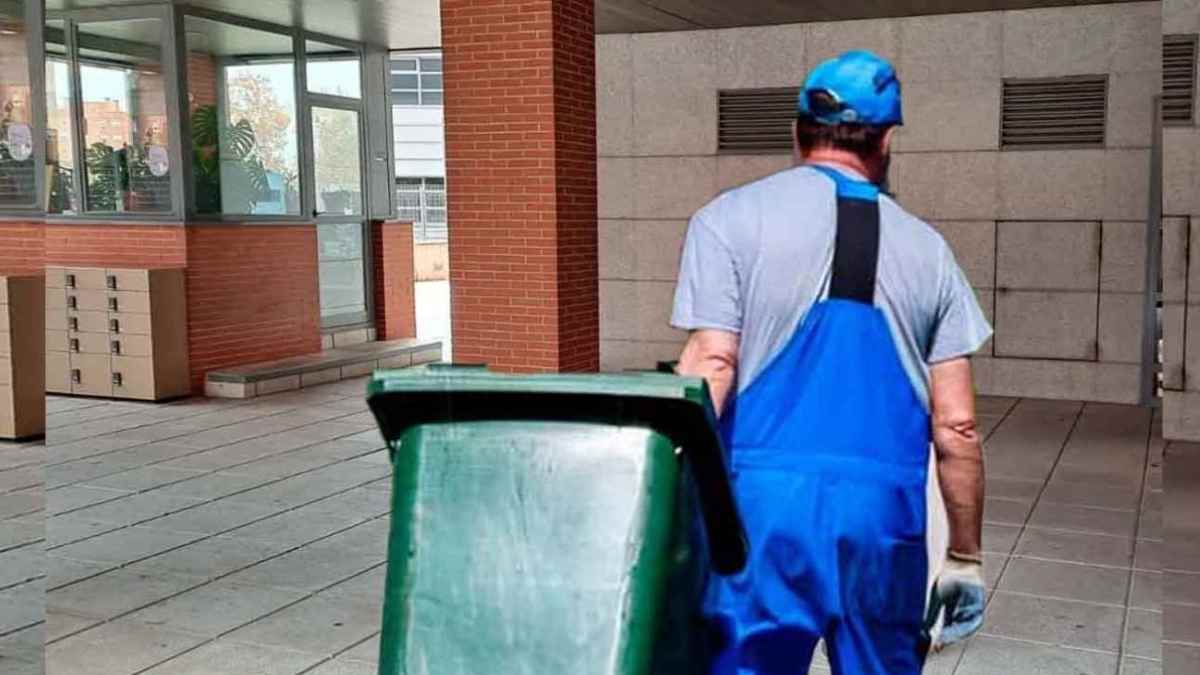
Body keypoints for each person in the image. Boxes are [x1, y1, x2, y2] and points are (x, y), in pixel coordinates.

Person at [672, 50, 991, 674]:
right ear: (889, 139)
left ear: (797, 131)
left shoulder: (727, 220)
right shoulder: (931, 252)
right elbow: (957, 429)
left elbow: (712, 362)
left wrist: (663, 498)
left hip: (756, 519)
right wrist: (964, 556)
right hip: (883, 524)